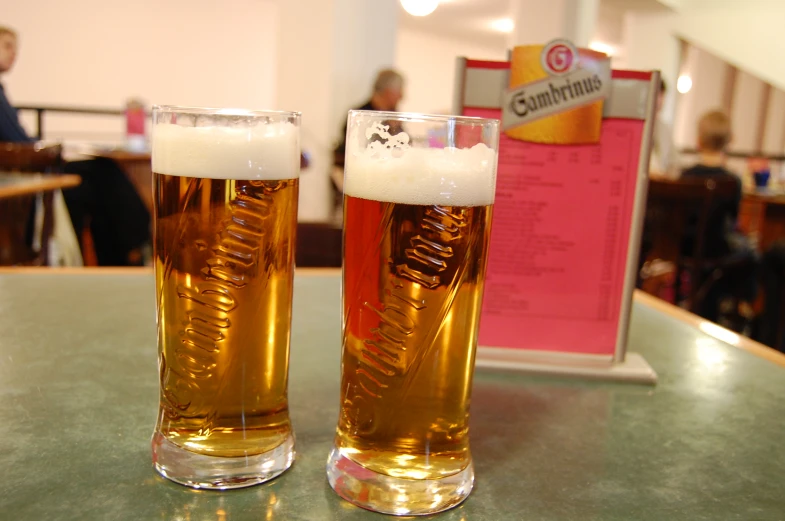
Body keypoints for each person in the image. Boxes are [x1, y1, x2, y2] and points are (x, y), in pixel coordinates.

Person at [0, 26, 150, 266]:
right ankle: (132, 247)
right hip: (22, 177)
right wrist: (50, 152)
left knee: (95, 178)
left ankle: (121, 254)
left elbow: (19, 142)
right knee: (102, 174)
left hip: (31, 170)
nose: (13, 53)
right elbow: (17, 146)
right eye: (7, 46)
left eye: (15, 48)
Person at [680, 109, 758, 323]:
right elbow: (733, 221)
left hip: (684, 246)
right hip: (717, 248)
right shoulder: (732, 180)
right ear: (728, 142)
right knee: (750, 252)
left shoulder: (685, 176)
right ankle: (742, 307)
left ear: (698, 140)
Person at [330, 69, 405, 217]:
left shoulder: (393, 115)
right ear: (389, 92)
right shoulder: (360, 115)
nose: (403, 96)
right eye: (400, 91)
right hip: (361, 180)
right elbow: (359, 152)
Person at [649, 79, 677, 178]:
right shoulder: (635, 127)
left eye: (661, 95)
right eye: (655, 94)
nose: (659, 100)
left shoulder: (665, 129)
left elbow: (674, 163)